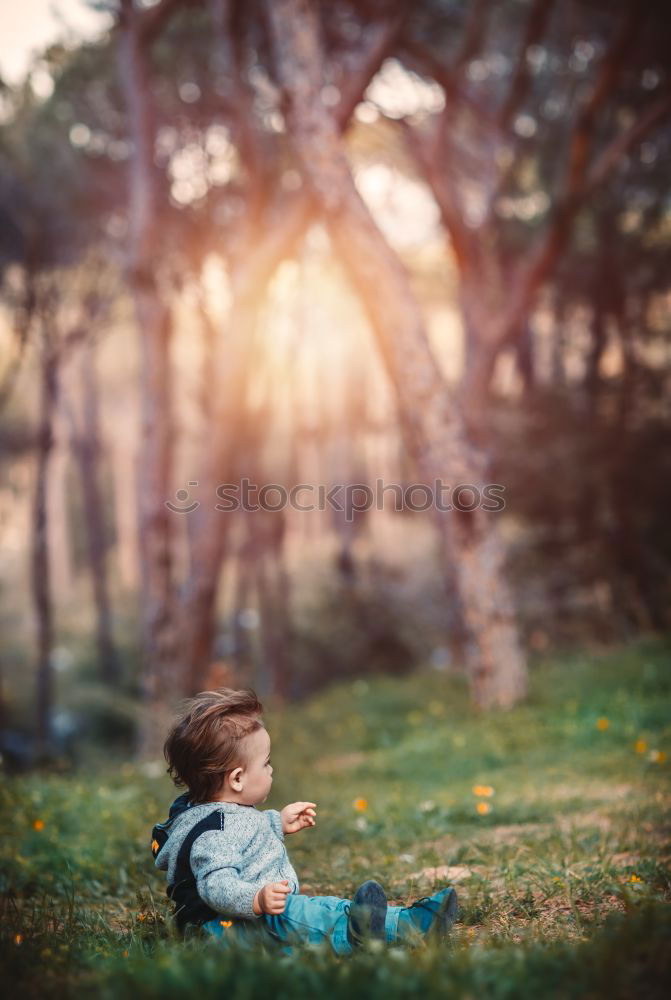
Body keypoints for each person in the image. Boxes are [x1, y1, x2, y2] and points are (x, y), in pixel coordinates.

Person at [151, 687, 458, 956]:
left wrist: (275, 823)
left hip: (247, 921)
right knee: (305, 915)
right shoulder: (213, 833)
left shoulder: (216, 815)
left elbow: (241, 837)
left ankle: (406, 924)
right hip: (220, 930)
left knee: (325, 909)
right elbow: (215, 885)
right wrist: (255, 899)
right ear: (238, 779)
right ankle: (355, 938)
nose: (271, 770)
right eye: (266, 763)